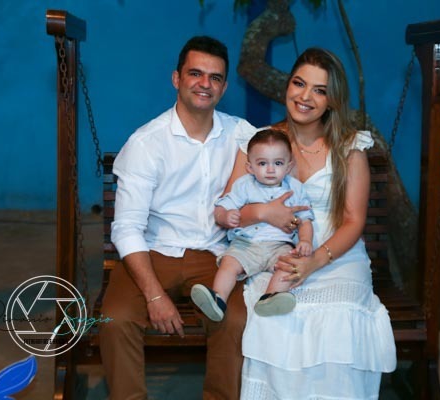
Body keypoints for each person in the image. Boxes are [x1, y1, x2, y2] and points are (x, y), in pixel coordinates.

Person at [226, 48, 397, 399]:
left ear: (332, 100)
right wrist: (263, 213)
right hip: (275, 252)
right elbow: (231, 211)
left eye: (319, 90)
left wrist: (315, 261)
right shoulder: (260, 142)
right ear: (287, 86)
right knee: (277, 317)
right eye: (299, 84)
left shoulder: (349, 147)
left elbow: (353, 220)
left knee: (336, 319)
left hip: (336, 256)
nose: (305, 97)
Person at [98, 36, 256, 400]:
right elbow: (127, 228)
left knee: (235, 319)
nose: (205, 84)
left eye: (215, 77)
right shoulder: (146, 143)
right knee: (116, 321)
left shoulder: (240, 133)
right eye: (195, 73)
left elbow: (285, 141)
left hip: (216, 256)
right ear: (176, 79)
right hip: (154, 252)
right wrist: (154, 296)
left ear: (224, 87)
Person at [191, 129, 315, 321]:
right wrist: (226, 216)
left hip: (280, 246)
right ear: (250, 167)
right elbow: (222, 207)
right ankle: (218, 299)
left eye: (278, 163)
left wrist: (305, 240)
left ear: (288, 166)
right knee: (229, 263)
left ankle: (271, 297)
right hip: (246, 244)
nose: (270, 169)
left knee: (290, 266)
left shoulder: (295, 188)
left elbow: (305, 219)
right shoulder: (244, 186)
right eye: (262, 163)